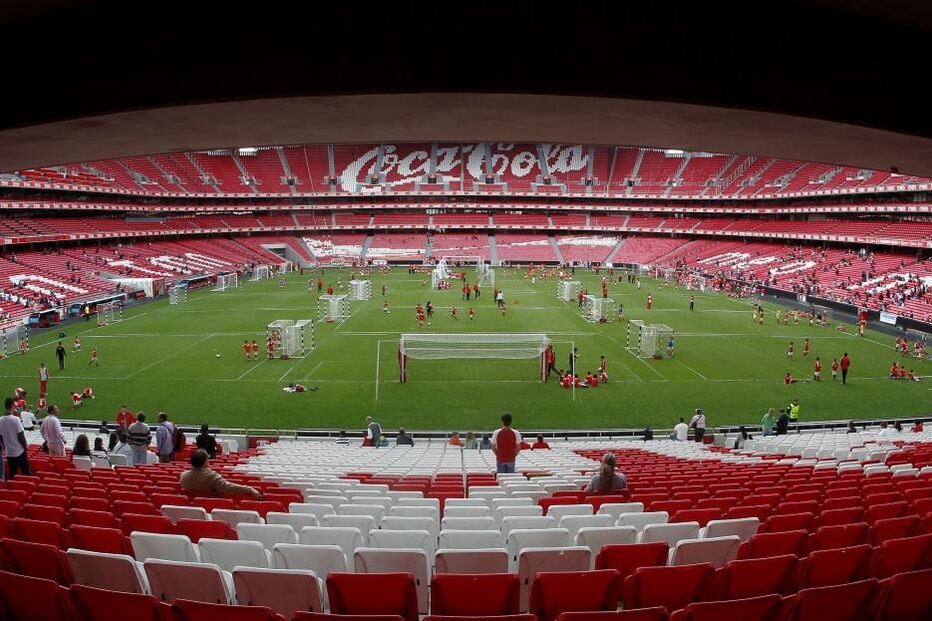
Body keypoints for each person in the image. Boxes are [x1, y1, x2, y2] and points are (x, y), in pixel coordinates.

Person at [181, 449, 262, 498]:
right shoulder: (212, 477)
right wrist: (249, 489)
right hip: (210, 508)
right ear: (205, 462)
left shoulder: (183, 476)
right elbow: (229, 487)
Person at [0, 398, 30, 478]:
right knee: (26, 473)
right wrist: (25, 447)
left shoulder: (1, 420)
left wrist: (5, 446)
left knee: (13, 474)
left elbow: (1, 437)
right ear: (13, 406)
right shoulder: (16, 420)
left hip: (9, 452)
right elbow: (21, 436)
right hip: (19, 451)